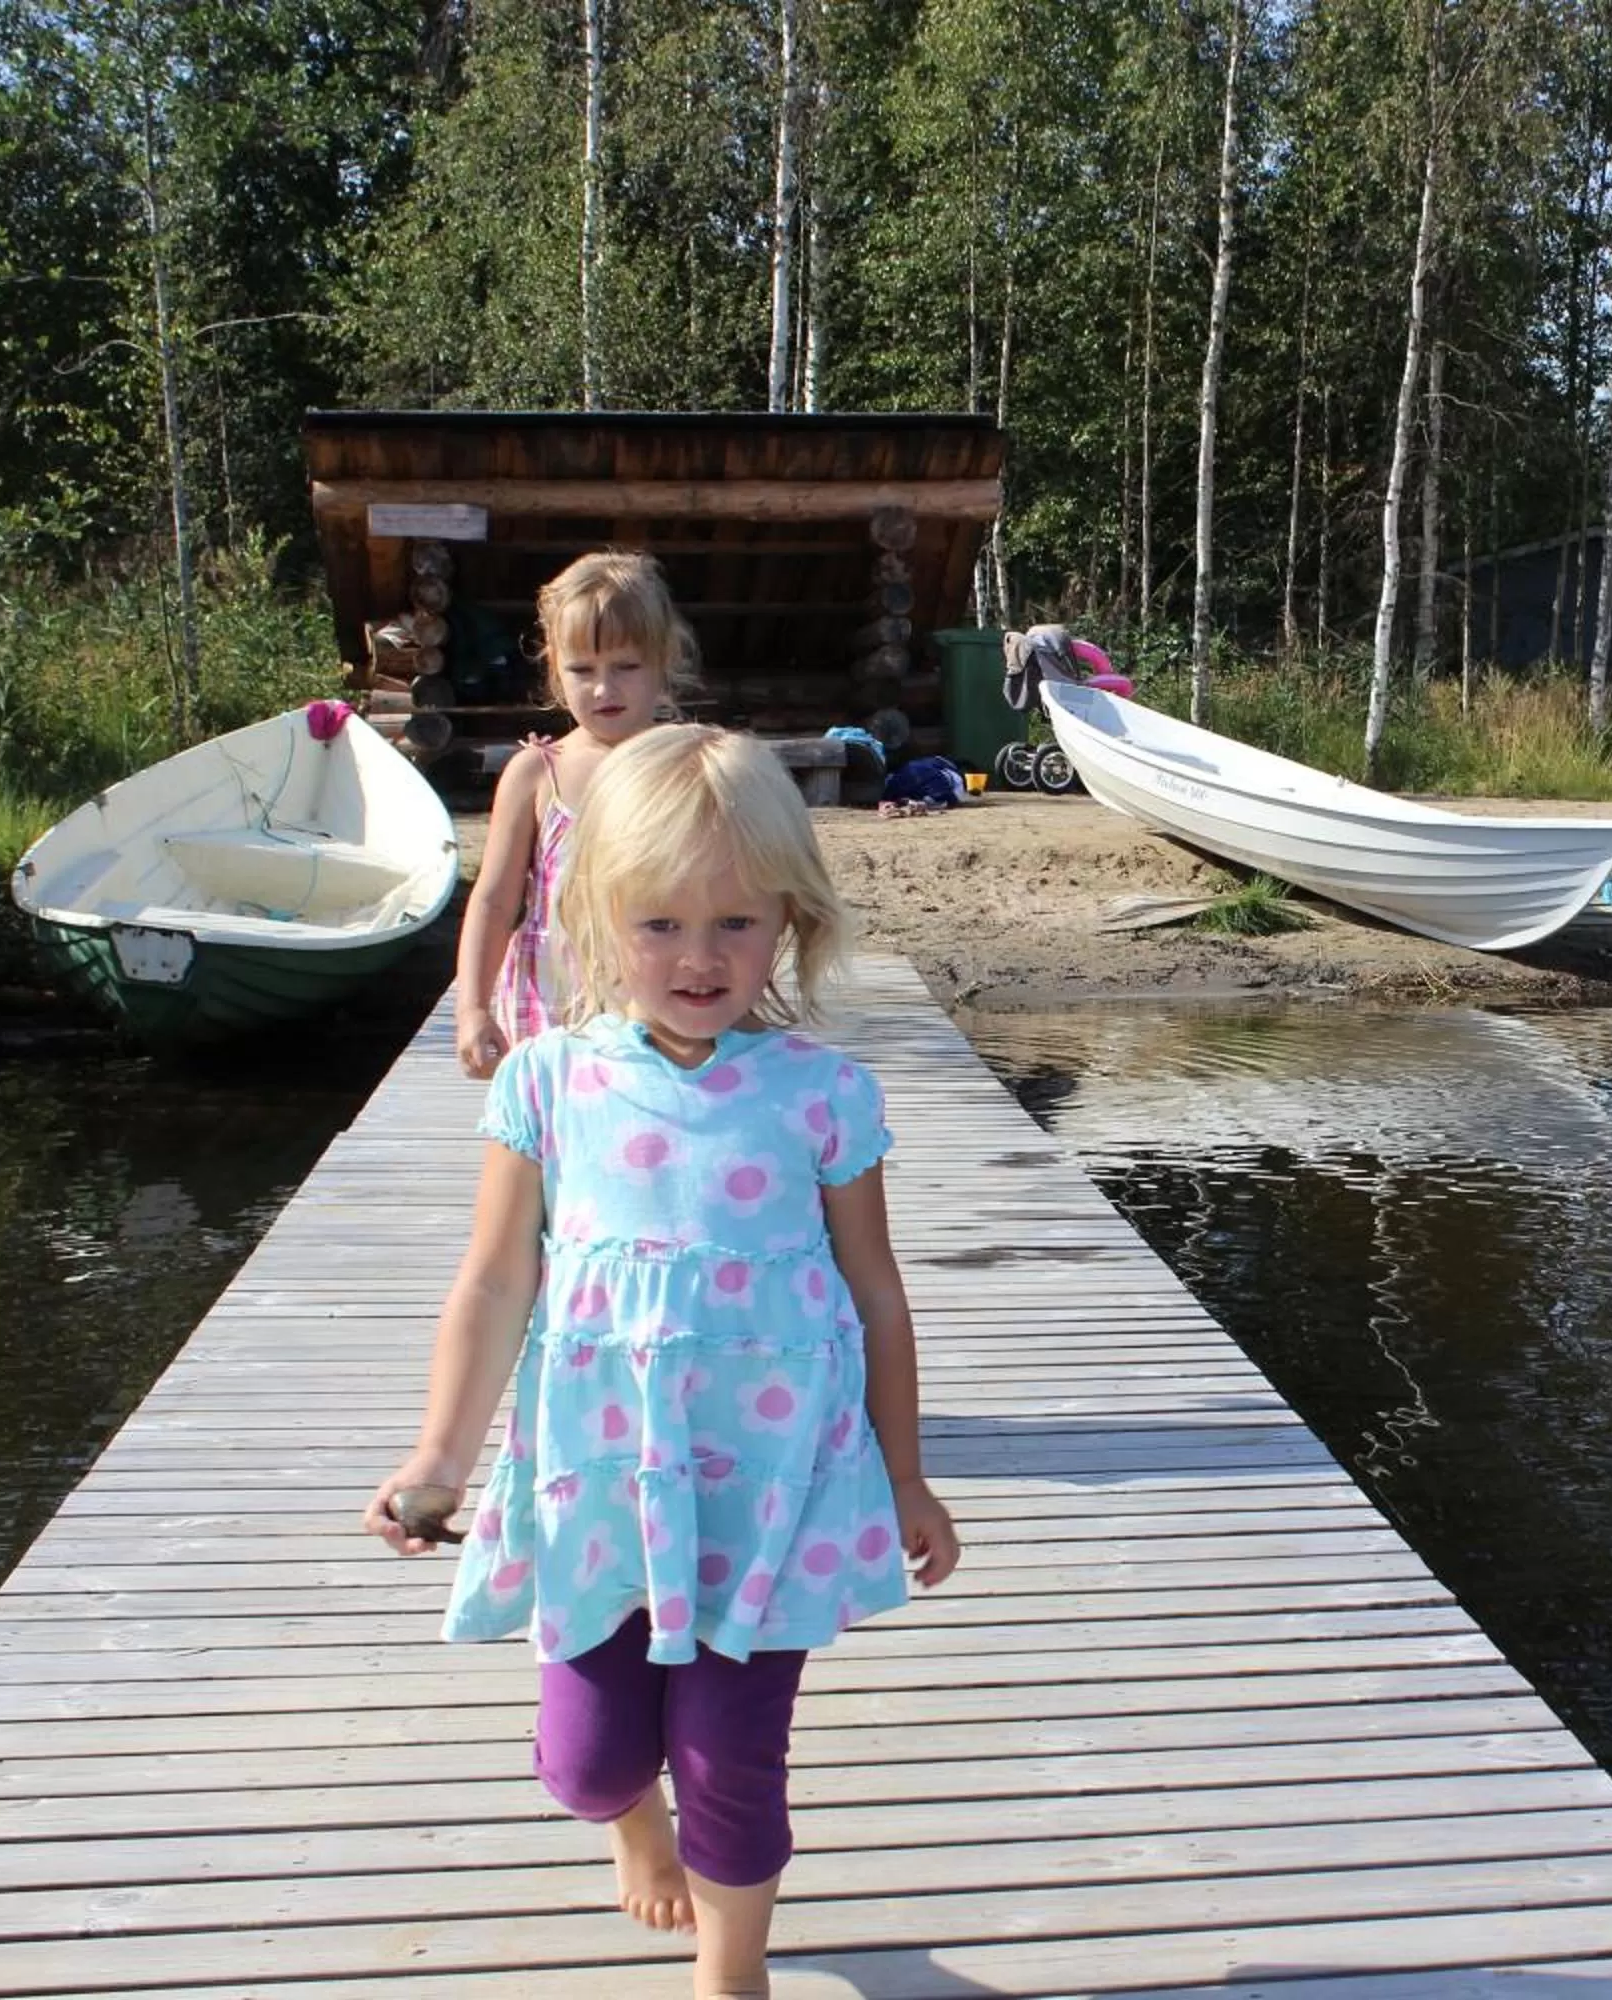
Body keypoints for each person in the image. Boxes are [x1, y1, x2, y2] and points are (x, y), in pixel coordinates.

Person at [367, 724, 961, 1996]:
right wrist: (437, 1455)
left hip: (768, 1490)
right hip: (597, 1480)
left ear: (789, 921)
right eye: (659, 923)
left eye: (737, 923)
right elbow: (493, 1280)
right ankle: (629, 1822)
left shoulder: (823, 1093)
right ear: (589, 913)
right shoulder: (548, 1081)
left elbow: (876, 1293)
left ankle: (729, 1968)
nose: (700, 956)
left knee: (733, 1757)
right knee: (588, 1758)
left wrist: (904, 1473)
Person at [454, 550, 696, 1079]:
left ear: (664, 661)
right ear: (555, 672)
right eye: (582, 670)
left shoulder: (690, 767)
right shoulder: (537, 773)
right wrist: (472, 1007)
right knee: (548, 1147)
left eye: (626, 667)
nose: (604, 689)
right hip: (550, 1004)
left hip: (657, 1001)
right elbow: (494, 901)